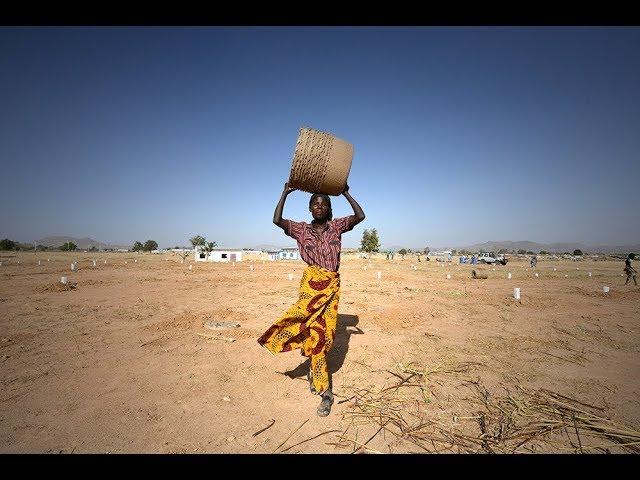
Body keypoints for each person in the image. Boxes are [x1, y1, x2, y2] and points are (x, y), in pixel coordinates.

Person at [258, 182, 365, 417]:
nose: (319, 206)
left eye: (323, 204)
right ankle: (325, 391)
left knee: (325, 336)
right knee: (306, 324)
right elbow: (277, 220)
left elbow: (360, 215)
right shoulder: (300, 230)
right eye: (315, 204)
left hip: (331, 286)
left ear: (328, 209)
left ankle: (313, 367)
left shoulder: (336, 227)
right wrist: (285, 192)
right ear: (310, 208)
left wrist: (344, 192)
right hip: (310, 285)